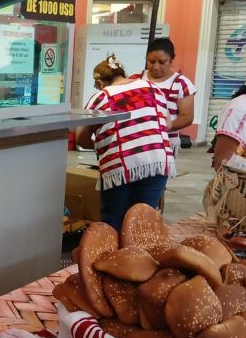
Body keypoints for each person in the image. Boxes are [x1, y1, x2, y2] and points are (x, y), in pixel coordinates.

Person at [75, 54, 174, 232]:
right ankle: (139, 258)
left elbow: (81, 138)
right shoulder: (153, 88)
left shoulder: (101, 97)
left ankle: (111, 258)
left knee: (113, 219)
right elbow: (167, 124)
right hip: (157, 161)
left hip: (120, 165)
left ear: (100, 83)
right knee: (142, 222)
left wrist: (101, 148)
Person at [135, 37, 197, 155]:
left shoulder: (181, 84)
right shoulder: (135, 80)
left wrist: (164, 127)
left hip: (165, 142)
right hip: (137, 140)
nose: (156, 67)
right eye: (151, 62)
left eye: (162, 62)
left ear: (172, 60)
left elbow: (187, 117)